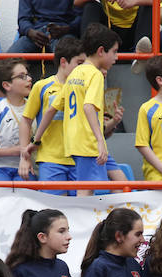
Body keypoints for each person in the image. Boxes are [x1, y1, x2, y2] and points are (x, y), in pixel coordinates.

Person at [50, 23, 120, 195]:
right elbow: (88, 107)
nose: (117, 57)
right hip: (87, 144)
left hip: (75, 142)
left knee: (92, 190)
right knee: (88, 194)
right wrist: (100, 141)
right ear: (101, 51)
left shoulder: (75, 72)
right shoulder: (94, 74)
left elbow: (52, 109)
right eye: (115, 51)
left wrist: (35, 140)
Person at [18, 36, 86, 190]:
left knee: (81, 208)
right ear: (63, 62)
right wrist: (24, 157)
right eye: (79, 63)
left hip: (79, 159)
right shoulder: (42, 86)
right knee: (52, 210)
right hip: (51, 159)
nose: (82, 69)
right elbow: (26, 120)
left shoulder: (85, 87)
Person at [75, 0, 153, 53]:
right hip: (108, 30)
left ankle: (140, 54)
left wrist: (135, 1)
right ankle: (89, 54)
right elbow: (76, 2)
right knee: (91, 6)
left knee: (150, 7)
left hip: (135, 30)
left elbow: (160, 2)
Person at [8, 0, 81, 53]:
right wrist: (29, 31)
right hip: (35, 33)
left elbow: (81, 16)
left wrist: (68, 29)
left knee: (69, 59)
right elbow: (23, 19)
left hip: (63, 32)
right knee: (7, 61)